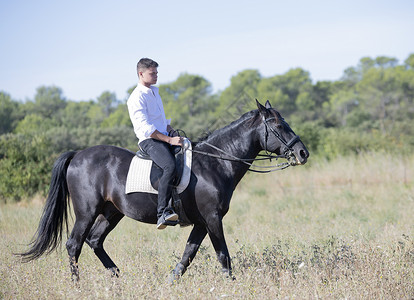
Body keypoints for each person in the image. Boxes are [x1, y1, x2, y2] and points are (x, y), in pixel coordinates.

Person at [127, 58, 184, 229]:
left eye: (157, 73)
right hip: (150, 141)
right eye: (152, 73)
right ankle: (163, 213)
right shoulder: (136, 97)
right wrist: (168, 140)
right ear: (141, 73)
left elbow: (160, 121)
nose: (156, 76)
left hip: (163, 135)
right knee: (169, 167)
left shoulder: (154, 92)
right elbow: (146, 128)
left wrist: (171, 130)